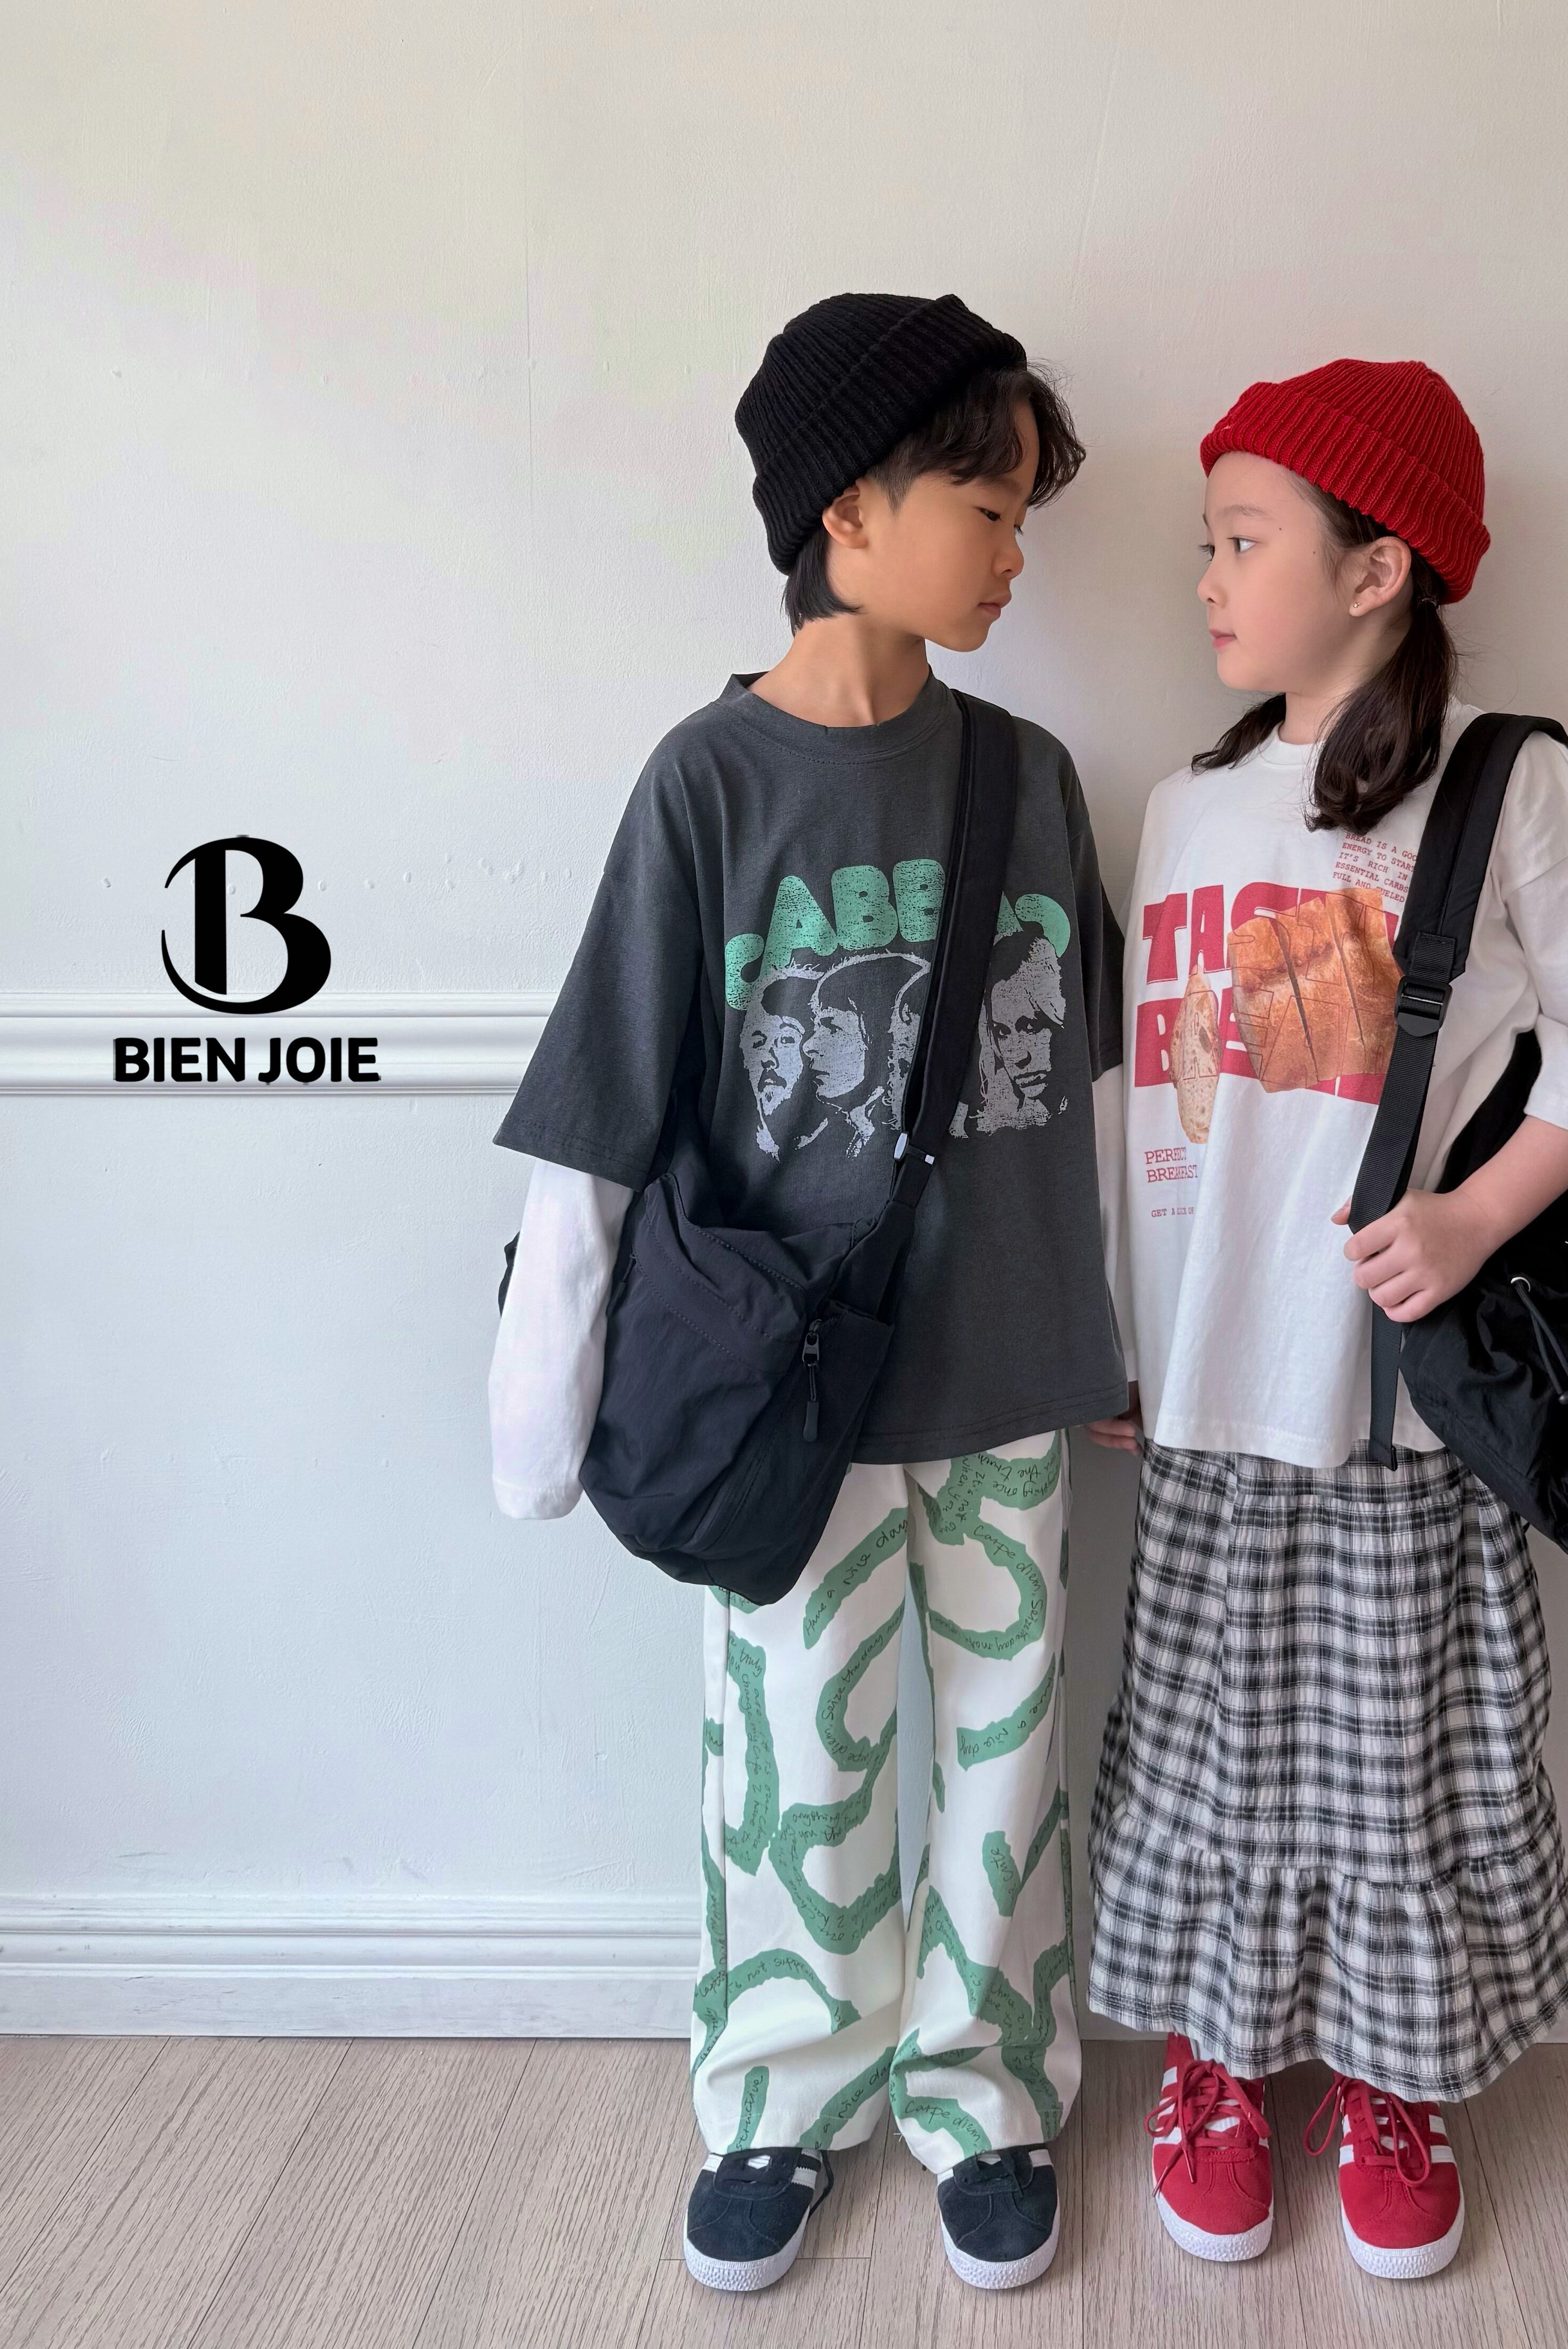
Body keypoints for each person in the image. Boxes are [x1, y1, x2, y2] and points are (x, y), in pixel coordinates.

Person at [487, 293, 1129, 2297]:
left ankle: (986, 2088)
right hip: (789, 1398)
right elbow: (604, 1108)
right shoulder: (706, 785)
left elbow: (1106, 1088)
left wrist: (1127, 1334)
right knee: (794, 1757)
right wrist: (540, 1399)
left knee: (1008, 1751)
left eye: (1020, 517)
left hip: (1013, 1366)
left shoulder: (1028, 774)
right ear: (847, 512)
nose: (1015, 554)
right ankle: (779, 2089)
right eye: (985, 508)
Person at [1085, 356, 1568, 2281]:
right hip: (1206, 1384)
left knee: (1405, 1757)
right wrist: (1121, 1326)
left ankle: (1391, 2073)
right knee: (1205, 1741)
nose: (1204, 579)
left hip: (1397, 1398)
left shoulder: (1507, 784)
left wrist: (1470, 1217)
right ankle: (1215, 2059)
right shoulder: (1183, 805)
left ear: (1376, 569)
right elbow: (1148, 1095)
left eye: (1241, 540)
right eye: (1205, 543)